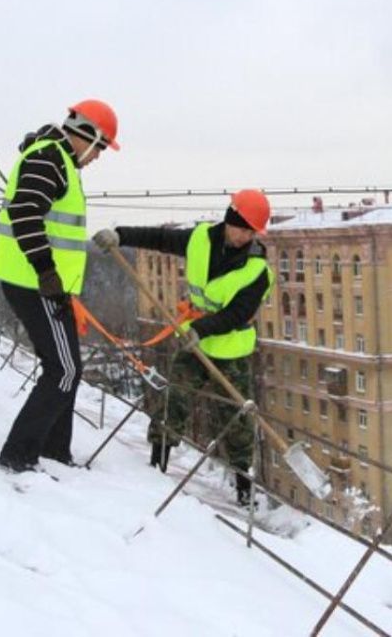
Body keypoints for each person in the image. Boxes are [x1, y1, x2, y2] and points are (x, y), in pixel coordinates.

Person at [93, 189, 273, 505]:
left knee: (236, 420)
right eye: (242, 228)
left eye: (251, 232)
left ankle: (244, 489)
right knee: (173, 399)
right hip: (194, 344)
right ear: (231, 220)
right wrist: (120, 236)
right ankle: (157, 463)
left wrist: (201, 329)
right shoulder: (200, 239)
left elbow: (237, 314)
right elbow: (161, 239)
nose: (246, 236)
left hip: (230, 350)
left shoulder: (257, 270)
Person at [0, 100, 120, 474]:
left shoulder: (57, 159)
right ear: (89, 135)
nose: (98, 157)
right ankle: (19, 455)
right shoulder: (49, 158)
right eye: (100, 147)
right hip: (34, 283)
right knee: (63, 370)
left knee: (67, 369)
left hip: (45, 284)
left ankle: (53, 453)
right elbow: (25, 212)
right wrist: (47, 273)